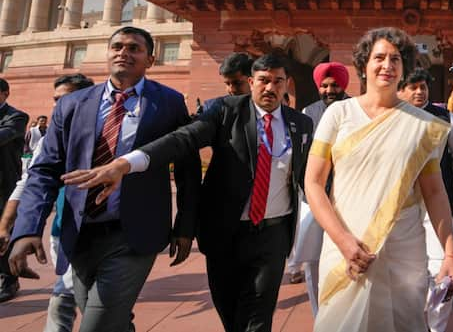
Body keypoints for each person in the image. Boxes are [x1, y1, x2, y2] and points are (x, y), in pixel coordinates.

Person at [61, 54, 313, 332]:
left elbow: (308, 176)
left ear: (286, 84)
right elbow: (183, 140)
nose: (270, 88)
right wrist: (126, 163)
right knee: (230, 313)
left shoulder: (299, 124)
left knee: (259, 316)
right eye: (263, 80)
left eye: (278, 81)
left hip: (273, 234)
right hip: (226, 232)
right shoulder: (224, 111)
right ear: (252, 82)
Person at [8, 27, 201, 331]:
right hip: (81, 231)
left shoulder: (168, 102)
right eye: (117, 46)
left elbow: (188, 169)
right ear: (107, 53)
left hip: (136, 233)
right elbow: (45, 170)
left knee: (96, 325)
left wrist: (185, 227)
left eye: (134, 48)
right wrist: (26, 229)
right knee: (113, 320)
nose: (124, 52)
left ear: (150, 59)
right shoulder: (73, 104)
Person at [304, 27, 453, 332]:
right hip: (345, 246)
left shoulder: (422, 125)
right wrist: (345, 242)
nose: (387, 65)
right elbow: (313, 182)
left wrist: (450, 254)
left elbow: (435, 192)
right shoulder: (339, 114)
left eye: (396, 59)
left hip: (404, 248)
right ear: (364, 64)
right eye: (379, 57)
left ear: (404, 68)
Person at [0, 73, 94, 331]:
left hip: (106, 233)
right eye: (55, 100)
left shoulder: (112, 129)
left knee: (68, 301)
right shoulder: (54, 136)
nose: (57, 107)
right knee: (73, 298)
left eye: (65, 99)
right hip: (63, 228)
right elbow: (31, 180)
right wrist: (8, 225)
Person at [397, 67, 453, 332]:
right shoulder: (390, 115)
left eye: (423, 87)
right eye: (413, 87)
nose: (419, 92)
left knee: (443, 271)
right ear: (400, 89)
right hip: (398, 206)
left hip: (435, 202)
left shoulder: (445, 117)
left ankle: (436, 327)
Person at [292, 61, 350, 315]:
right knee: (312, 260)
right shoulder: (308, 111)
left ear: (344, 85)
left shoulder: (355, 109)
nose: (329, 90)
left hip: (347, 197)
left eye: (335, 85)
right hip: (313, 198)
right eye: (324, 85)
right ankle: (319, 317)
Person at [0, 78, 29, 303]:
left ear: (5, 94)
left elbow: (5, 136)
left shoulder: (16, 116)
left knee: (3, 232)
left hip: (4, 185)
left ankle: (9, 278)